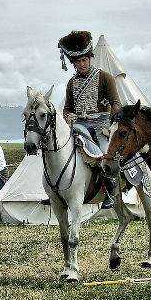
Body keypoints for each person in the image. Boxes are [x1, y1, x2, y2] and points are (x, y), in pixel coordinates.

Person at [58, 30, 121, 209]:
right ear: (73, 64)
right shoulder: (71, 83)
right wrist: (67, 115)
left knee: (104, 154)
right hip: (79, 125)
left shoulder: (105, 78)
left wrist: (114, 121)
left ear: (90, 58)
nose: (82, 64)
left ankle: (111, 190)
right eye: (77, 61)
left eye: (84, 60)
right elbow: (67, 108)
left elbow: (116, 102)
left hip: (102, 124)